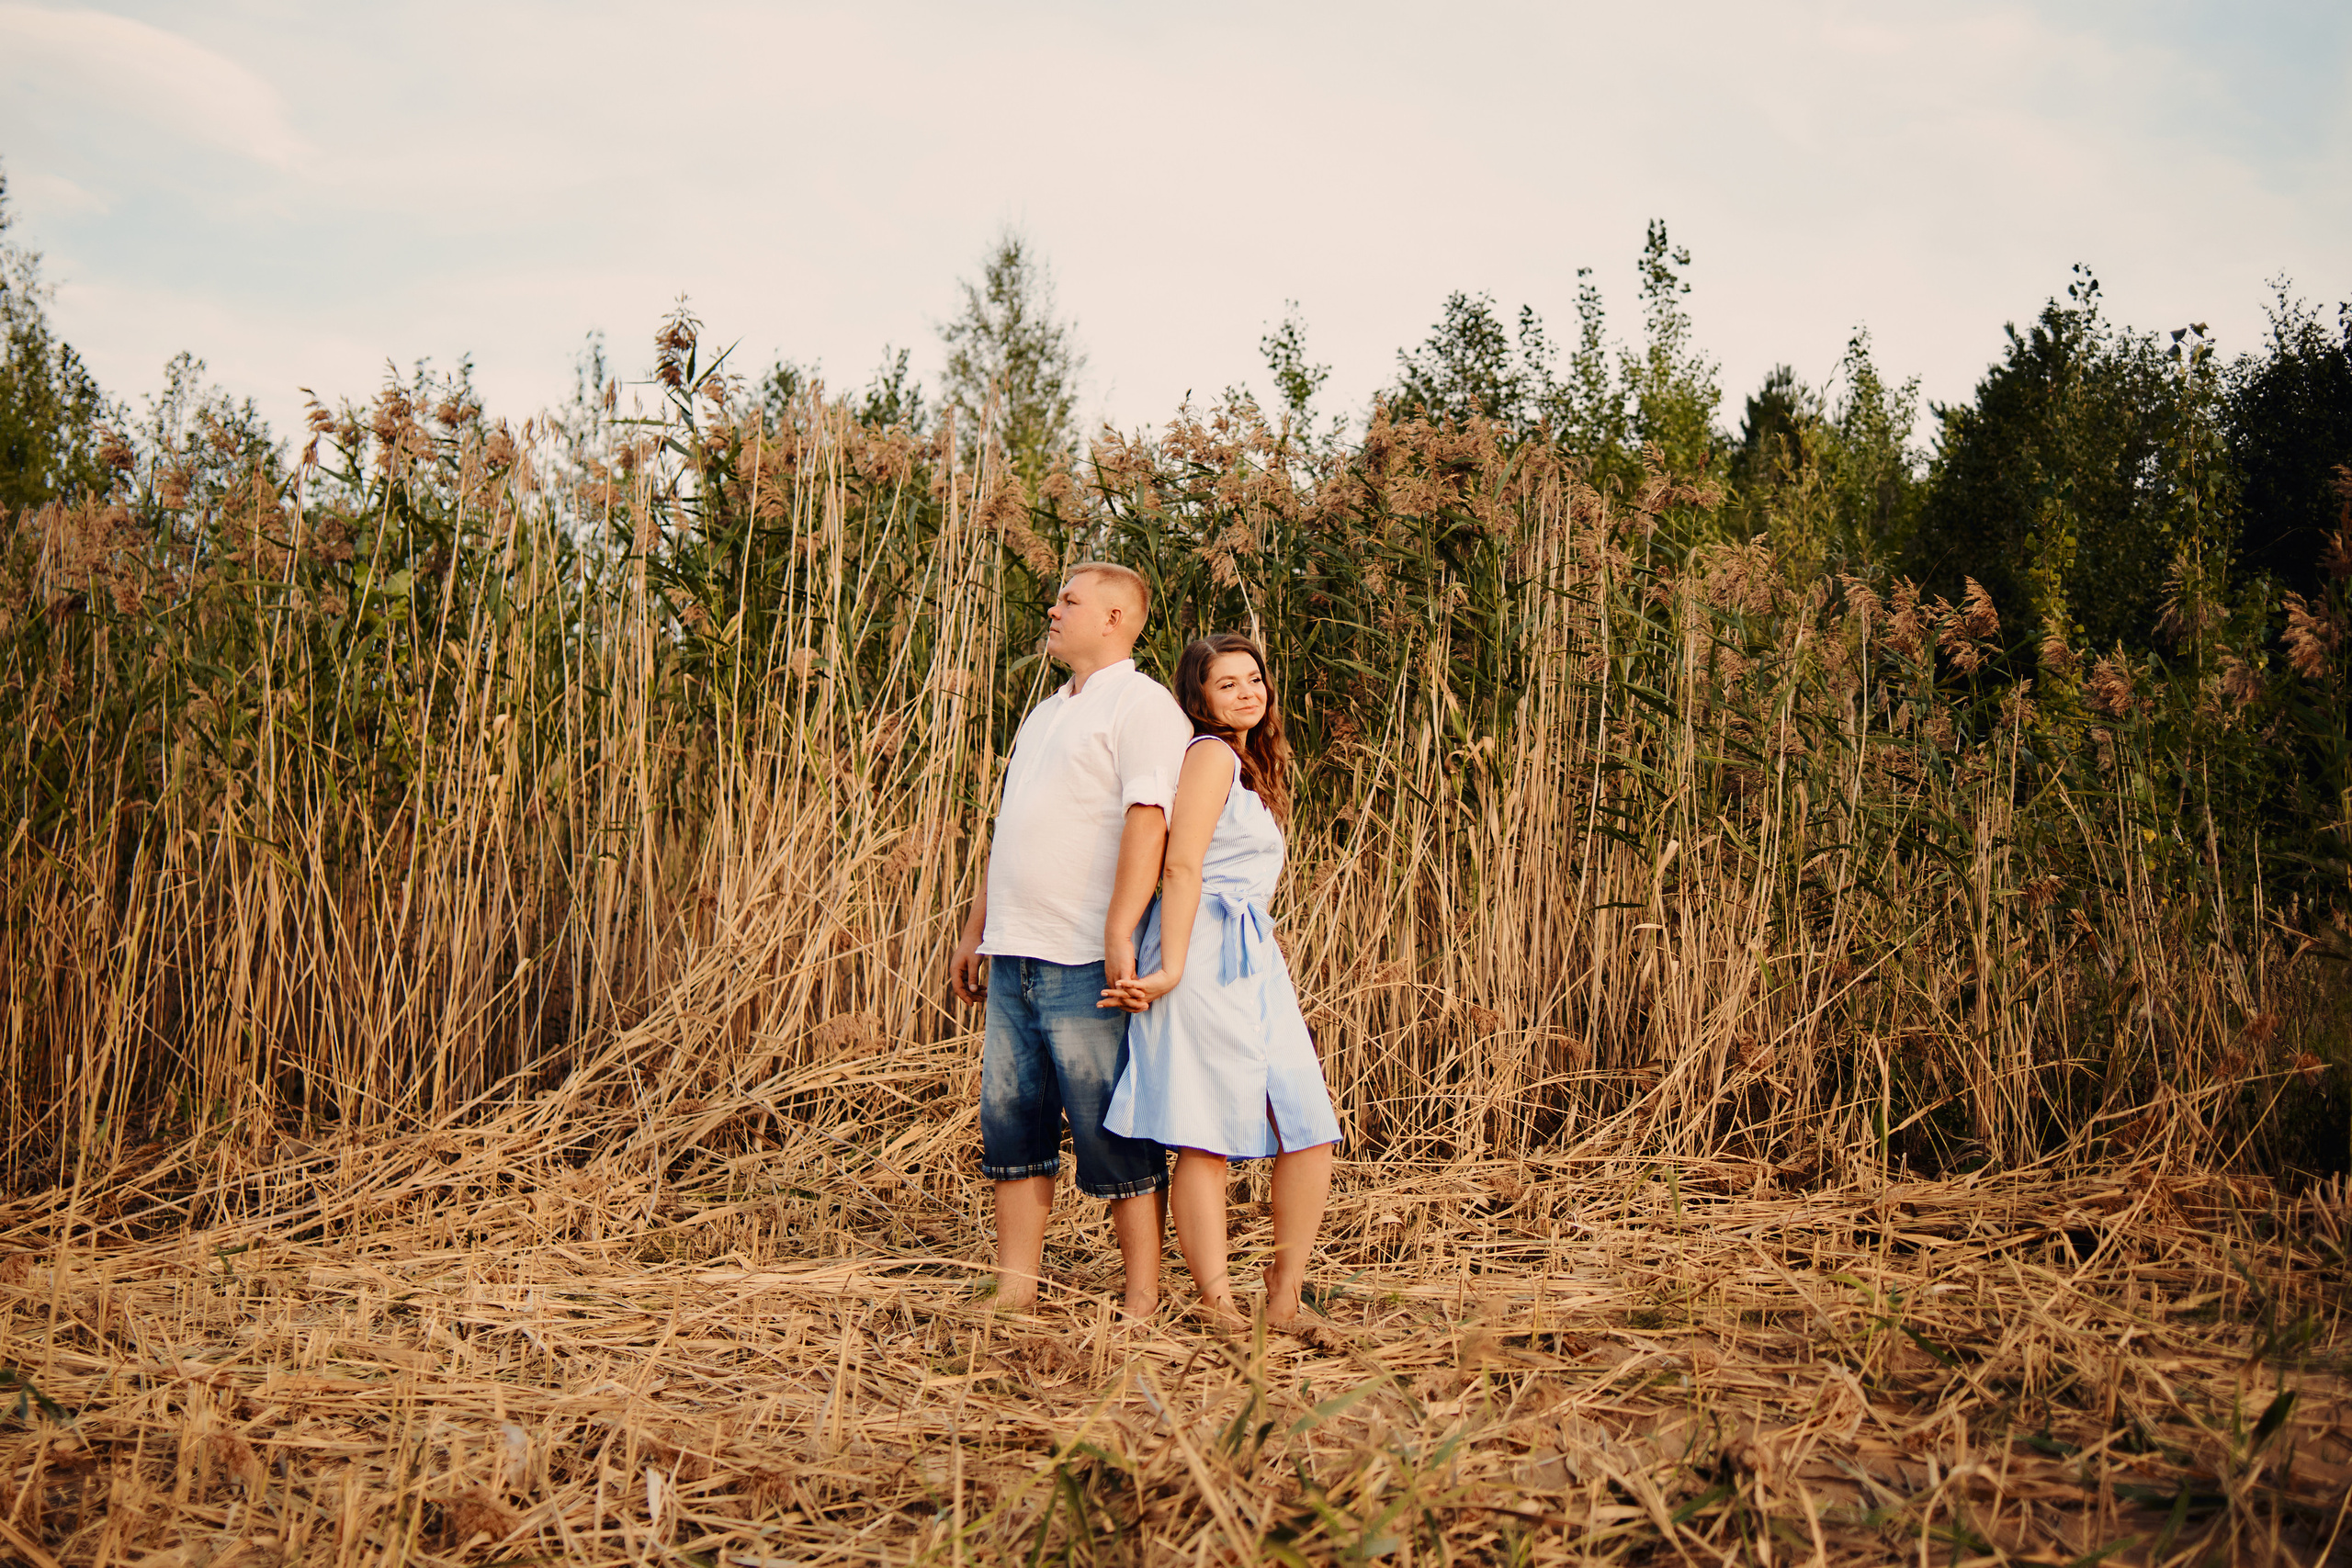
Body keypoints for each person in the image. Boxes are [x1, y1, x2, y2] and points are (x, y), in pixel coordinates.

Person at [948, 562, 1194, 1318]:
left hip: (1084, 956)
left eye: (1070, 600)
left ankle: (1142, 1297)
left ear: (1116, 618)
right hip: (1016, 950)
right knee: (1012, 1127)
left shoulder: (1144, 706)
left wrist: (1120, 928)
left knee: (1111, 1132)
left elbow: (1148, 821)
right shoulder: (1046, 712)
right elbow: (1011, 827)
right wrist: (976, 927)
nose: (1054, 610)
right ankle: (1016, 1289)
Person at [1101, 633, 1340, 1328]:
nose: (1246, 691)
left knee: (1310, 1127)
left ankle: (1284, 1291)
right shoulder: (1208, 754)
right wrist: (1170, 966)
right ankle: (1218, 1300)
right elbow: (1183, 866)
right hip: (1200, 948)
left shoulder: (1247, 763)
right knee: (1204, 1135)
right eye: (1226, 682)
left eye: (1254, 678)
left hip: (1250, 952)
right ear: (1199, 697)